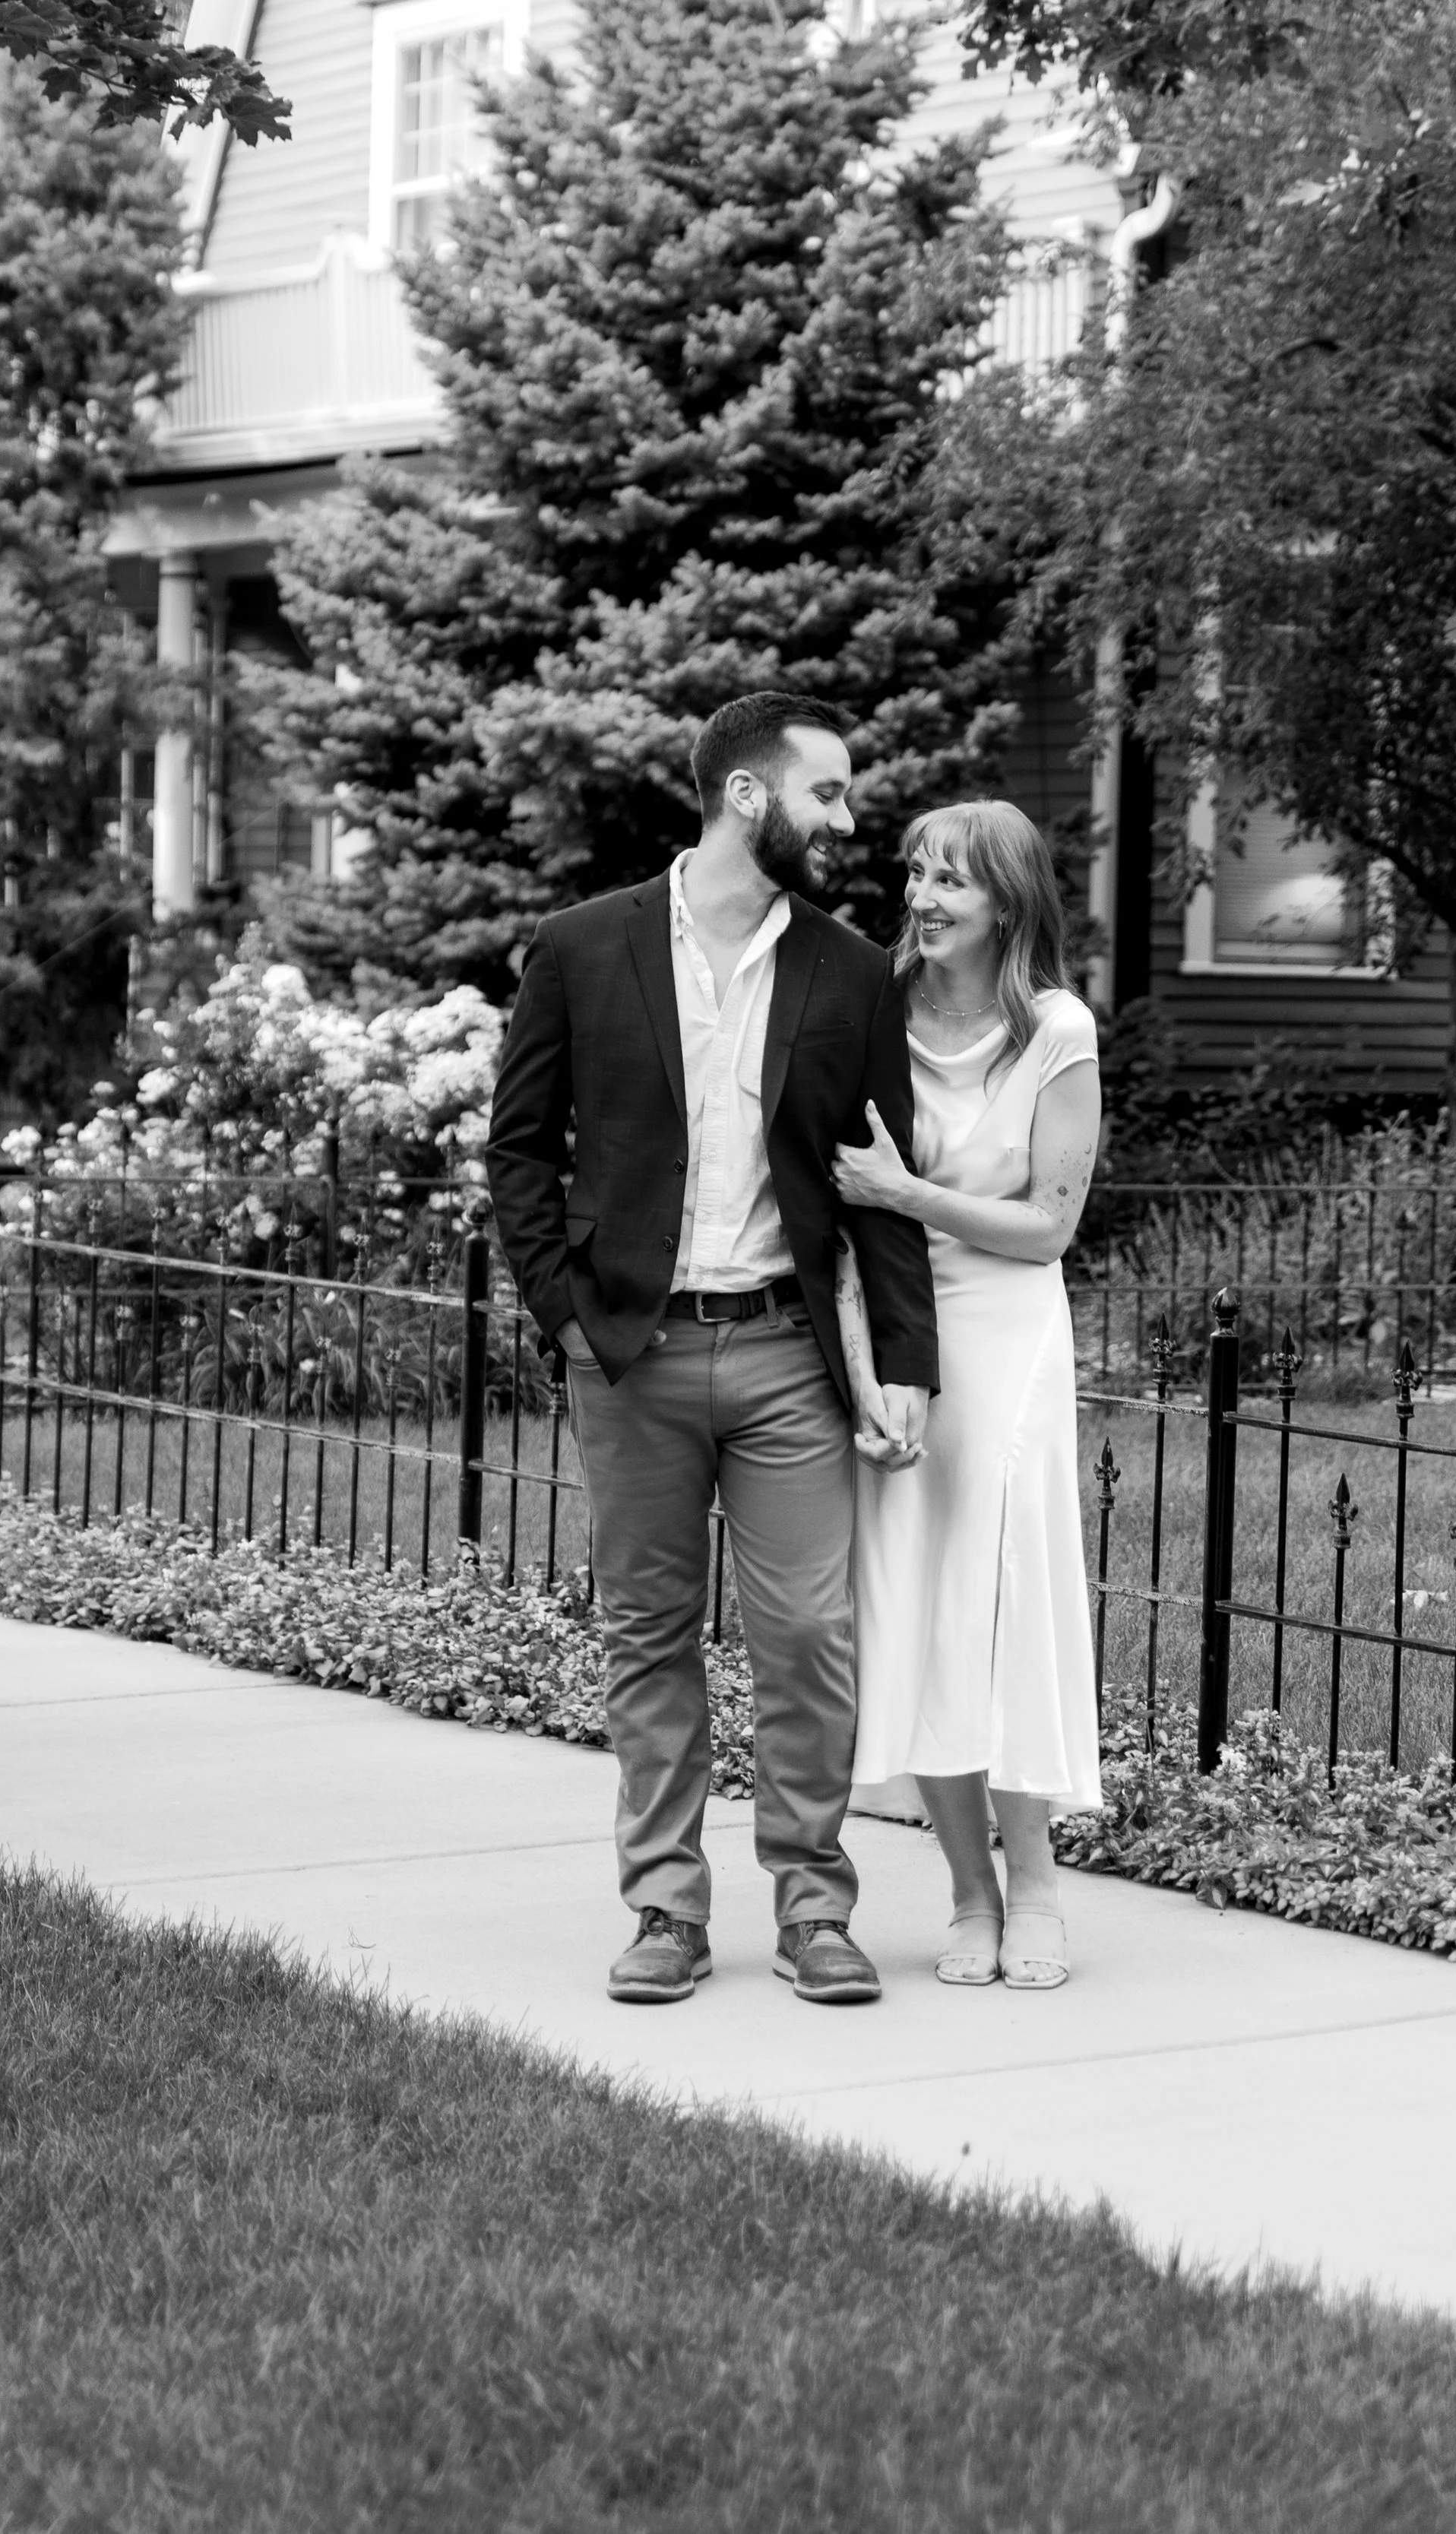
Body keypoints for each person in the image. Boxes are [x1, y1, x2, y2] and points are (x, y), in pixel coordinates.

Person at [486, 692, 938, 2007]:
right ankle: (667, 1910)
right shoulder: (583, 947)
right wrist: (567, 1315)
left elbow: (879, 1183)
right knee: (650, 1633)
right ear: (751, 798)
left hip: (789, 1352)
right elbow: (520, 1151)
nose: (848, 820)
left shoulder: (851, 971)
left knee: (809, 1633)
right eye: (830, 794)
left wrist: (898, 1362)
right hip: (631, 1349)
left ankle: (814, 1907)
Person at [832, 800, 1102, 1990]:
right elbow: (835, 1222)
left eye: (951, 881)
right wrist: (869, 1374)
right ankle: (968, 1886)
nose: (923, 897)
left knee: (1004, 1600)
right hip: (899, 1333)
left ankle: (1037, 1881)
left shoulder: (1056, 1029)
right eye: (917, 874)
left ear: (1007, 900)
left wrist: (910, 1195)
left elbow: (1049, 1227)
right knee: (921, 1600)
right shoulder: (867, 1007)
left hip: (1009, 1338)